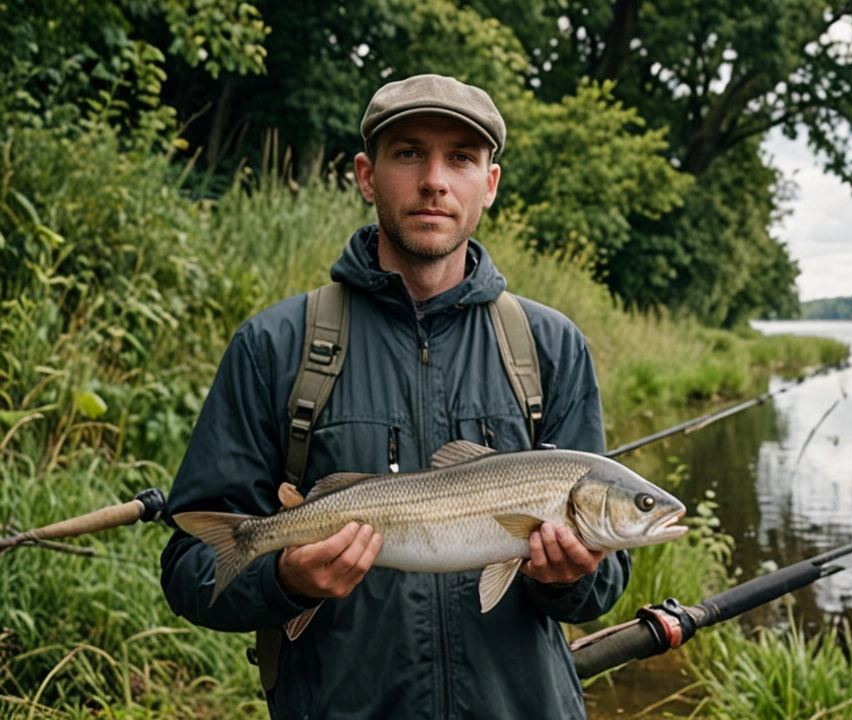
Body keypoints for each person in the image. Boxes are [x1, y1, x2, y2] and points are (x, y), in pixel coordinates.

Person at [160, 74, 631, 719]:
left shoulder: (551, 346)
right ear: (366, 175)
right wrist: (284, 580)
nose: (434, 179)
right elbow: (190, 569)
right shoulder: (274, 346)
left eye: (461, 157)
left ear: (489, 184)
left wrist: (570, 577)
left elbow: (604, 584)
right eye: (409, 153)